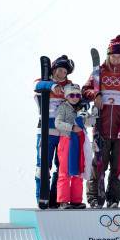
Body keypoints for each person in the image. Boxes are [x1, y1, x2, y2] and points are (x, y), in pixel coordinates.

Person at [83, 35, 120, 208]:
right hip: (102, 126)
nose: (116, 59)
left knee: (118, 165)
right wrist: (96, 94)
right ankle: (94, 197)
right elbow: (85, 90)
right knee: (99, 164)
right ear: (108, 55)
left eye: (119, 56)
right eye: (113, 56)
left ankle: (113, 198)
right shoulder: (99, 72)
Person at [34, 55, 74, 208]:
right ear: (53, 69)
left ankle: (55, 197)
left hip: (63, 132)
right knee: (43, 166)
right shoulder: (42, 83)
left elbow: (78, 97)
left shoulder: (69, 85)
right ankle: (41, 197)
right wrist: (51, 86)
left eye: (65, 71)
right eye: (59, 70)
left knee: (62, 167)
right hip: (46, 130)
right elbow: (37, 86)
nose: (62, 73)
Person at [53, 84, 96, 209]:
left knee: (79, 170)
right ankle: (63, 200)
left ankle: (76, 200)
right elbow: (58, 123)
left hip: (80, 140)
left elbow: (88, 123)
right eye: (72, 95)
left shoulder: (81, 108)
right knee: (65, 171)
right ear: (66, 96)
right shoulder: (63, 107)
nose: (75, 97)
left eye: (77, 95)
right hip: (67, 140)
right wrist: (72, 127)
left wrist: (93, 116)